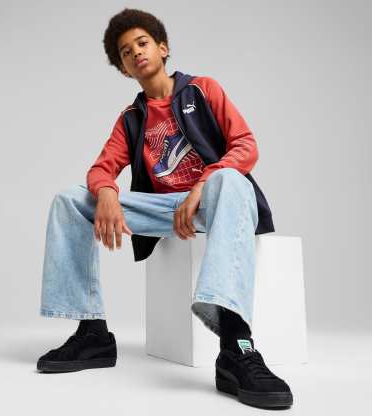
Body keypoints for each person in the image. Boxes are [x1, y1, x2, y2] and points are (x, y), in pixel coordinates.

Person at [36, 7, 293, 409]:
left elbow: (245, 145)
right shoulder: (131, 118)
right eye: (126, 52)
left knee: (230, 179)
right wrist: (107, 192)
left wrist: (204, 184)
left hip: (216, 200)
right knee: (70, 199)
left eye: (142, 43)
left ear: (163, 47)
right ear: (124, 69)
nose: (136, 53)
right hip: (165, 211)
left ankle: (235, 345)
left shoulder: (202, 89)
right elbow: (101, 168)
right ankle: (92, 333)